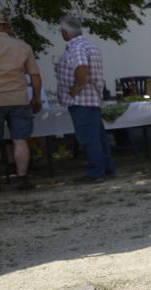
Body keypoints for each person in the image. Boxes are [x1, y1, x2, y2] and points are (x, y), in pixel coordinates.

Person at [0, 10, 42, 191]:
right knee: (20, 140)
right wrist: (36, 97)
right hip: (18, 99)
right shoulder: (23, 46)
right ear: (5, 26)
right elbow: (35, 76)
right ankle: (23, 179)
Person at [56, 15, 115, 183]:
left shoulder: (76, 47)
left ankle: (95, 172)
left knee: (88, 138)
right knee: (98, 136)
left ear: (66, 33)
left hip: (81, 99)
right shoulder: (89, 45)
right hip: (92, 98)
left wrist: (77, 86)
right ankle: (106, 168)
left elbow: (81, 67)